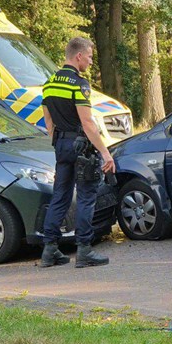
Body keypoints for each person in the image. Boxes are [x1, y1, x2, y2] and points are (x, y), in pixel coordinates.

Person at [39, 37, 115, 268]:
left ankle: (50, 249)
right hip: (80, 147)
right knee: (86, 197)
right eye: (90, 57)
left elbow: (48, 119)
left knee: (60, 196)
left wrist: (57, 142)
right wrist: (105, 153)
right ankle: (84, 250)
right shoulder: (78, 84)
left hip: (61, 145)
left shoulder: (49, 83)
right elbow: (88, 122)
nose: (91, 61)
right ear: (79, 56)